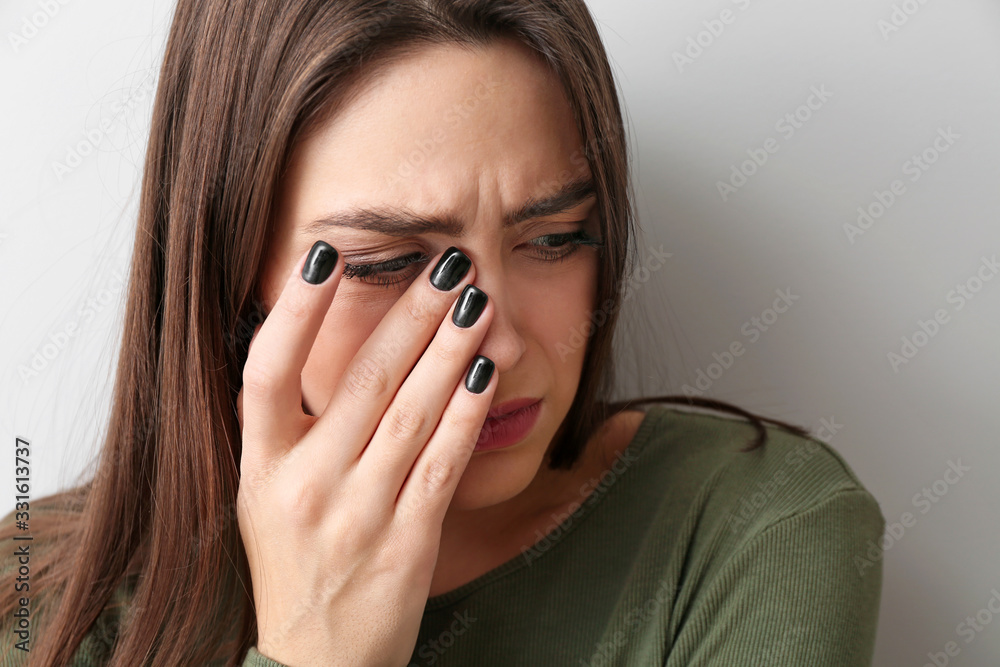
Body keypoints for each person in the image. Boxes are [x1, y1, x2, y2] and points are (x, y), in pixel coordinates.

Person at [0, 0, 885, 665]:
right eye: (387, 262)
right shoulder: (31, 598)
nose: (498, 346)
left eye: (554, 239)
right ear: (233, 273)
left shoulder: (752, 530)